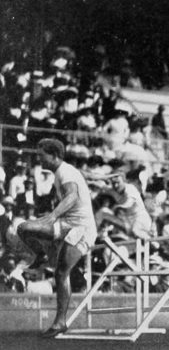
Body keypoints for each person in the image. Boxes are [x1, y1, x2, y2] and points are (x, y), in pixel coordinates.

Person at [17, 139, 98, 338]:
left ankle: (60, 322)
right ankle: (41, 254)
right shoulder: (62, 172)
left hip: (82, 228)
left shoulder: (65, 171)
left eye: (41, 155)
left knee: (61, 273)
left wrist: (52, 215)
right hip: (66, 224)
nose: (38, 159)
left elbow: (71, 196)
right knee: (24, 228)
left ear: (53, 156)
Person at [94, 166, 152, 241]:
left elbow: (129, 203)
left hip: (141, 220)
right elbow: (101, 186)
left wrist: (117, 207)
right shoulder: (113, 189)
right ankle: (95, 234)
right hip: (127, 222)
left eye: (118, 183)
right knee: (103, 212)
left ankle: (153, 242)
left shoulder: (130, 189)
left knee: (136, 231)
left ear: (124, 181)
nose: (116, 186)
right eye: (113, 183)